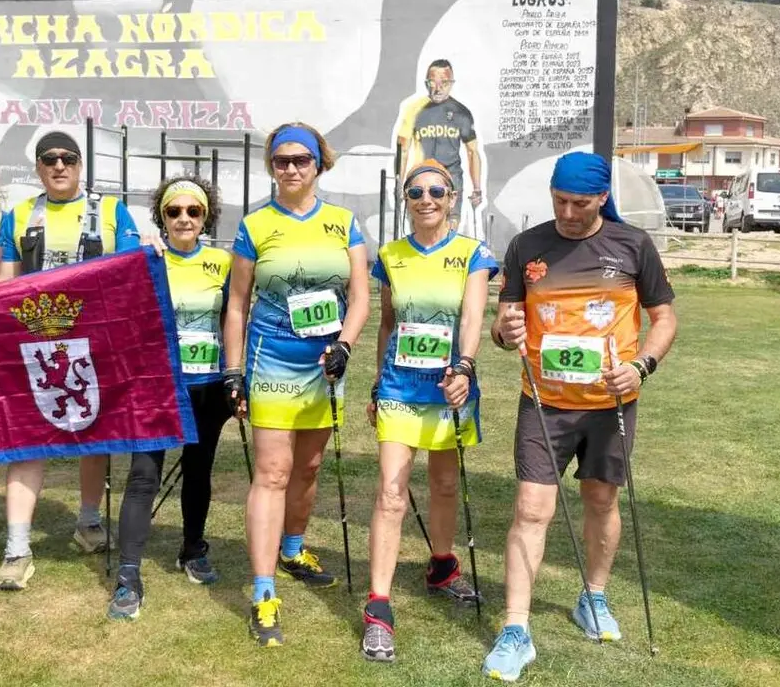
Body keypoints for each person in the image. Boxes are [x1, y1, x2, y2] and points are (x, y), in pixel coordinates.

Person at [481, 152, 677, 682]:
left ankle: (593, 595)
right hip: (544, 401)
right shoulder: (527, 245)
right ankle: (516, 628)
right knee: (532, 508)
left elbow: (663, 316)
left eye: (580, 203)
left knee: (600, 499)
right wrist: (505, 333)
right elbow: (504, 324)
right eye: (559, 200)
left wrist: (642, 366)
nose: (568, 212)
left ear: (601, 199)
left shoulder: (632, 245)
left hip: (610, 404)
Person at [0, 129, 163, 590]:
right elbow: (3, 284)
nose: (60, 165)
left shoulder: (110, 211)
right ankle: (16, 548)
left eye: (68, 158)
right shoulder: (20, 214)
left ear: (81, 165)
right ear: (39, 167)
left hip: (93, 345)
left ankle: (88, 521)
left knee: (95, 434)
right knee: (28, 444)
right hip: (34, 346)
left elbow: (129, 276)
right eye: (50, 159)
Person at [224, 122, 369, 647]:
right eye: (280, 161)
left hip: (325, 363)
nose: (290, 169)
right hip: (271, 360)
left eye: (300, 160)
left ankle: (292, 548)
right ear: (271, 166)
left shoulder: (343, 222)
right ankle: (264, 592)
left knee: (307, 467)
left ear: (318, 165)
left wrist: (346, 345)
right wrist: (233, 370)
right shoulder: (256, 225)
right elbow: (237, 305)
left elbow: (360, 297)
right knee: (272, 471)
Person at [360, 159, 498, 662]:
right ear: (406, 199)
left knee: (443, 484)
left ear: (452, 196)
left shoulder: (472, 254)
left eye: (435, 191)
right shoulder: (391, 255)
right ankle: (378, 607)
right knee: (391, 494)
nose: (425, 199)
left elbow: (473, 318)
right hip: (399, 385)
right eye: (415, 192)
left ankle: (442, 567)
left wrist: (463, 368)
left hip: (449, 386)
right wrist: (377, 384)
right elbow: (386, 324)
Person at [106, 176, 233, 620]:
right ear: (161, 216)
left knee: (199, 472)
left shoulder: (223, 262)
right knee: (144, 476)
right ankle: (127, 576)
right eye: (173, 211)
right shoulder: (144, 260)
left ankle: (192, 548)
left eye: (193, 212)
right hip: (154, 388)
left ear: (205, 218)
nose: (183, 219)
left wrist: (235, 379)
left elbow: (236, 318)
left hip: (207, 387)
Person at [396, 59, 484, 233]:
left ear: (451, 84)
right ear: (426, 83)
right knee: (419, 230)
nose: (437, 88)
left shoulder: (461, 112)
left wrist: (477, 189)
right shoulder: (412, 109)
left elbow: (472, 151)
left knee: (450, 229)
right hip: (421, 178)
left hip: (451, 178)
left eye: (443, 83)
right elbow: (403, 149)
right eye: (432, 82)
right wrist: (399, 183)